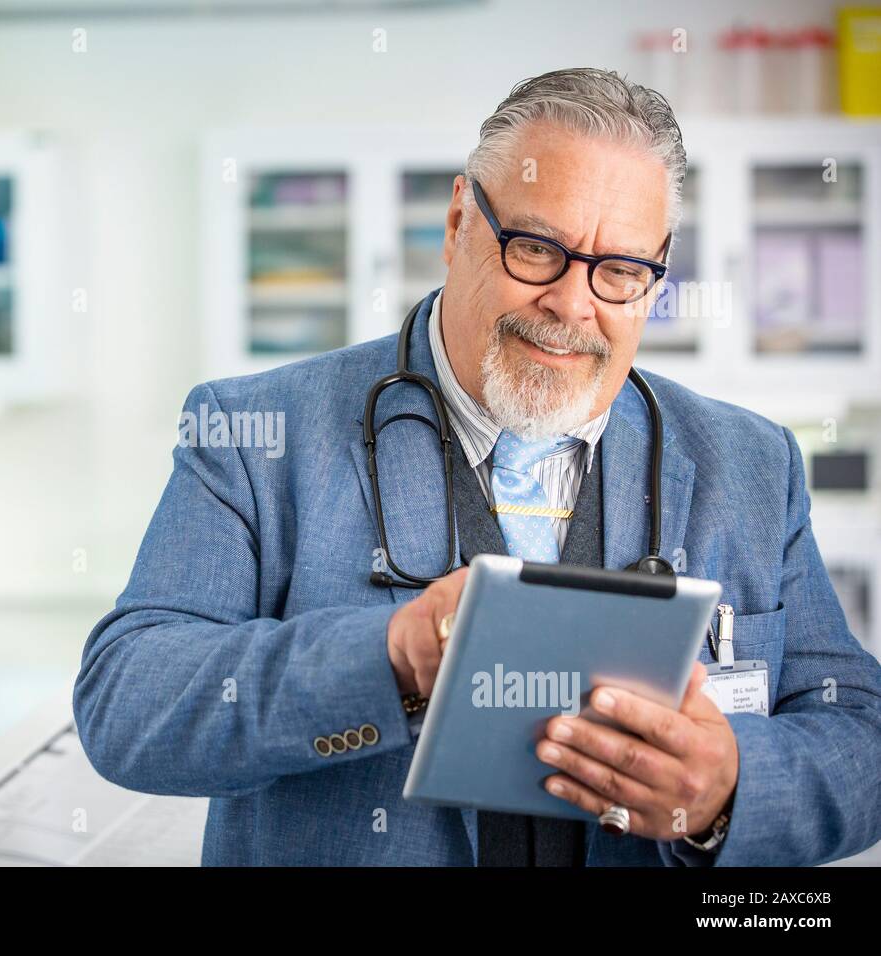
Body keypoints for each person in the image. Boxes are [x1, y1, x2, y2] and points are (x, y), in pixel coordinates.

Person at [73, 68, 881, 866]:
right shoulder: (256, 436)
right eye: (536, 248)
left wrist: (730, 787)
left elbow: (860, 736)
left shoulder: (750, 464)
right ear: (459, 221)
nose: (572, 304)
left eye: (621, 272)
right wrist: (390, 657)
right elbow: (128, 703)